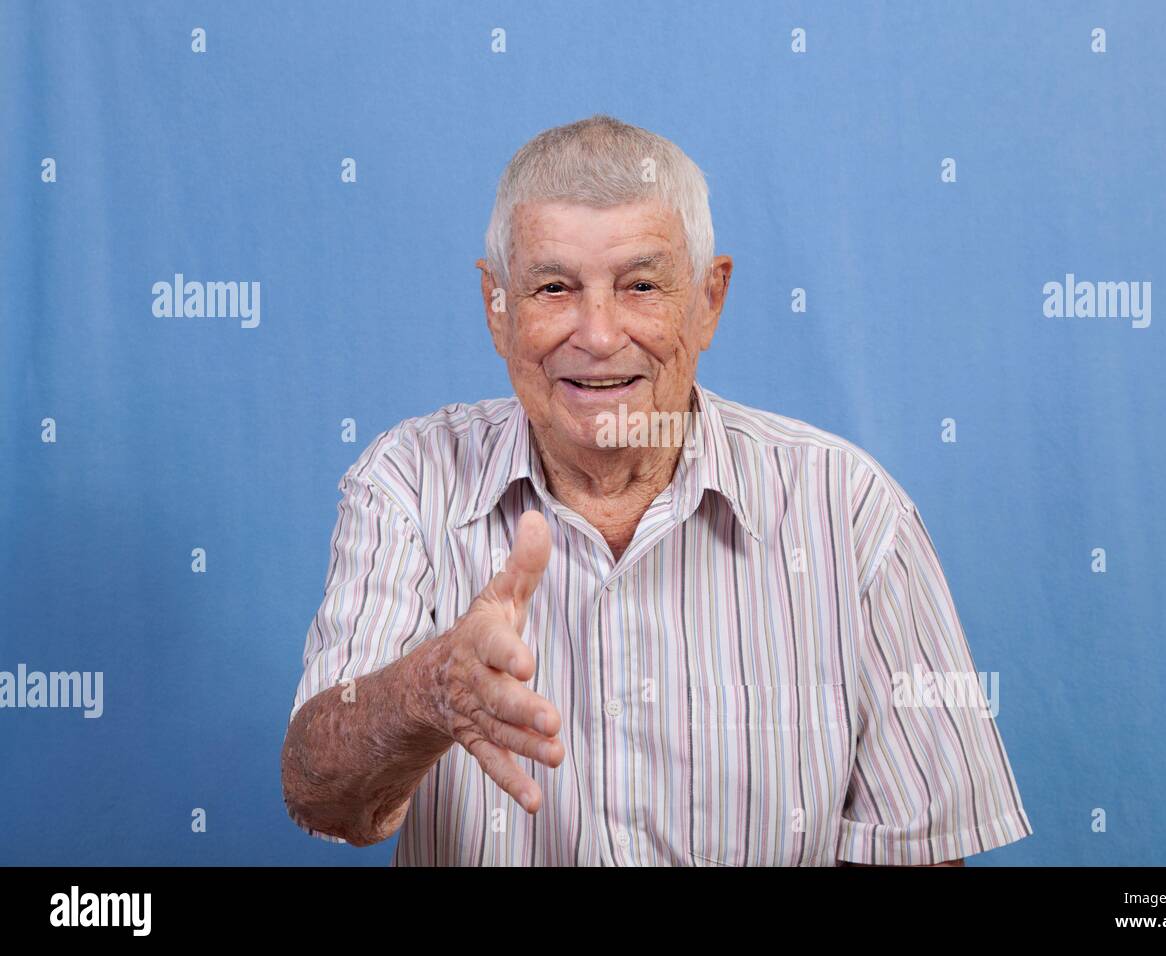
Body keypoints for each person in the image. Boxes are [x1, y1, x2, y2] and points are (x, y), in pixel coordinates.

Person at [280, 114, 1032, 866]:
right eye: (553, 287)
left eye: (641, 285)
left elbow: (921, 852)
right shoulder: (406, 482)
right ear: (497, 308)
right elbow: (317, 793)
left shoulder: (854, 511)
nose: (599, 335)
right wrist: (428, 690)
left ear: (709, 300)